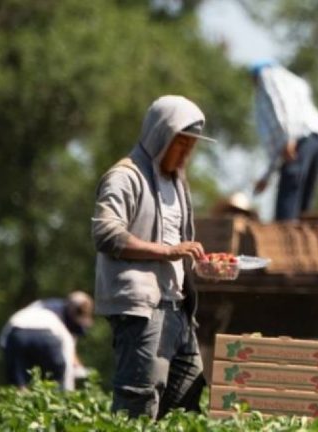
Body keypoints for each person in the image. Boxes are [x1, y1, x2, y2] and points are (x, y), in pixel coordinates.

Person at [92, 95, 215, 419]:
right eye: (181, 144)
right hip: (142, 308)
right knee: (139, 402)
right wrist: (167, 251)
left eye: (192, 146)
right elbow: (106, 234)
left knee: (186, 399)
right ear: (160, 136)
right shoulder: (125, 176)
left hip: (178, 307)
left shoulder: (178, 183)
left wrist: (198, 261)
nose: (187, 152)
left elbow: (178, 243)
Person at [250, 61, 318, 221]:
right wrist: (267, 176)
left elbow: (281, 104)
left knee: (288, 196)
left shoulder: (268, 76)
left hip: (298, 139)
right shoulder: (296, 82)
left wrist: (289, 138)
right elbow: (277, 148)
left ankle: (284, 240)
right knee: (303, 203)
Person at [0, 291, 94, 391]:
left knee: (19, 385)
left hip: (15, 335)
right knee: (56, 382)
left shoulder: (45, 306)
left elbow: (6, 339)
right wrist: (68, 392)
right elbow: (67, 365)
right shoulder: (63, 331)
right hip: (45, 337)